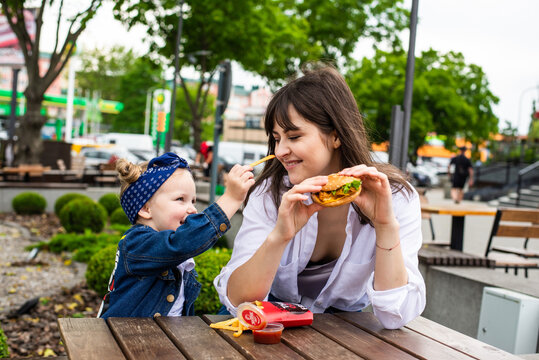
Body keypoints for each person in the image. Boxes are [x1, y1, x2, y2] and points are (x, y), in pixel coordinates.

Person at [214, 66, 426, 330]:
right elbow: (238, 300)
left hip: (343, 333)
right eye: (276, 139)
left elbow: (395, 315)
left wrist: (384, 225)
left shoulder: (394, 197)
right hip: (266, 327)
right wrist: (280, 236)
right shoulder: (270, 193)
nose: (280, 151)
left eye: (294, 136)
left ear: (336, 134)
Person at [98, 152, 254, 318]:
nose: (193, 209)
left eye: (193, 201)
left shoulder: (173, 254)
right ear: (145, 209)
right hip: (125, 338)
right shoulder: (136, 243)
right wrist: (231, 199)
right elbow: (183, 243)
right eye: (181, 199)